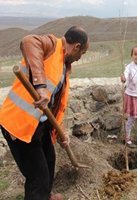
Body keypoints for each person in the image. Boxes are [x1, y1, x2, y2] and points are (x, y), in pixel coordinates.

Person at [0, 26, 89, 200]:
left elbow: (55, 104)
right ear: (76, 47)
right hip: (20, 124)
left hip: (39, 124)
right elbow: (28, 41)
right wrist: (40, 87)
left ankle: (46, 196)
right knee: (37, 177)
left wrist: (60, 131)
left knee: (49, 161)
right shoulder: (52, 45)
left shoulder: (64, 65)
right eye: (82, 53)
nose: (80, 58)